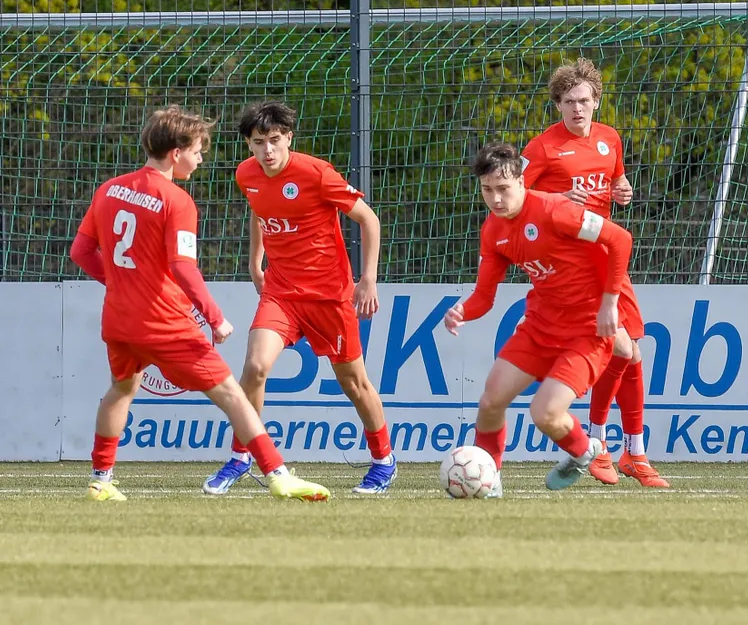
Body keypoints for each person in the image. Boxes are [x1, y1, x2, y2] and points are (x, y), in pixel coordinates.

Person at [69, 106, 329, 502]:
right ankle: (278, 475)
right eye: (198, 149)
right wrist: (215, 316)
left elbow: (81, 251)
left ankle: (100, 480)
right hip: (163, 322)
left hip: (119, 319)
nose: (201, 157)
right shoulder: (176, 200)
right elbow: (183, 267)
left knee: (121, 389)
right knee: (232, 393)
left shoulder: (108, 189)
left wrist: (123, 281)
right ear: (177, 152)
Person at [202, 101, 396, 496]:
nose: (268, 151)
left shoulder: (316, 173)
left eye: (275, 140)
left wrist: (369, 279)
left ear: (288, 137)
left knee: (355, 383)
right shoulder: (246, 174)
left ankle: (383, 460)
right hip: (281, 294)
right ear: (249, 145)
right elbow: (259, 211)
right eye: (259, 143)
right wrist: (255, 262)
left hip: (330, 297)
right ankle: (242, 457)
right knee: (254, 367)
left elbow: (369, 219)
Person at [443, 141, 634, 494]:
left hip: (588, 329)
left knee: (544, 414)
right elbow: (485, 297)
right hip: (540, 326)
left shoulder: (555, 210)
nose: (496, 199)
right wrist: (462, 311)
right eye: (487, 190)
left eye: (503, 189)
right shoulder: (493, 231)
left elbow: (620, 240)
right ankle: (489, 480)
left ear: (521, 181)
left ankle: (582, 451)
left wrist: (610, 303)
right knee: (490, 401)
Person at [521, 58, 668, 488]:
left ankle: (631, 452)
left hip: (609, 255)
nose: (577, 109)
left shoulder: (610, 138)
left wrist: (624, 191)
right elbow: (512, 197)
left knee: (632, 349)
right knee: (622, 351)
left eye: (584, 101)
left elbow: (616, 186)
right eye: (569, 102)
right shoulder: (543, 147)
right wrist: (555, 198)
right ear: (558, 106)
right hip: (571, 262)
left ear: (597, 102)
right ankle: (606, 446)